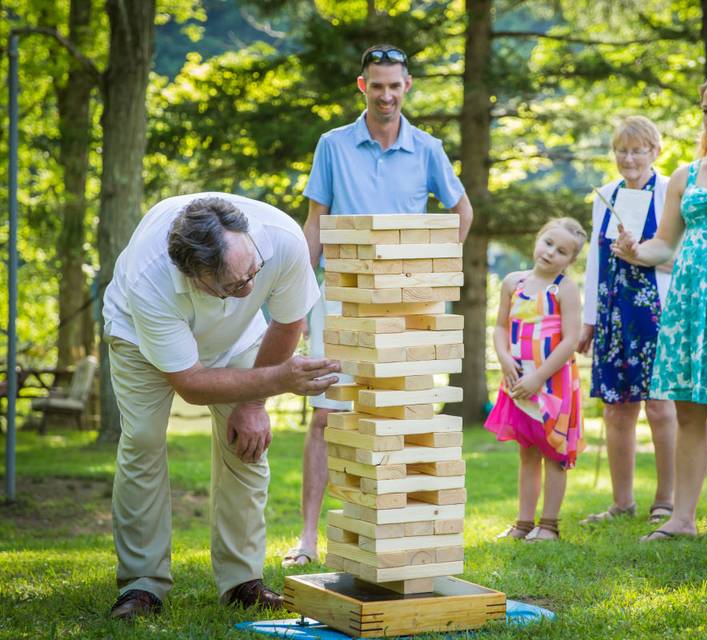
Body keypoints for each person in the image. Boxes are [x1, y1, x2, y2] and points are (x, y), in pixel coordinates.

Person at [101, 194, 340, 620]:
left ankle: (241, 581)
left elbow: (288, 322)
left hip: (238, 337)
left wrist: (254, 402)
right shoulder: (149, 277)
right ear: (192, 275)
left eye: (253, 273)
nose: (250, 288)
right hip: (140, 338)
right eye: (234, 285)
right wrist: (280, 379)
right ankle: (142, 583)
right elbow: (191, 383)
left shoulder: (281, 240)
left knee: (247, 444)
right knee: (142, 441)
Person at [283, 43, 473, 567]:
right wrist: (300, 301)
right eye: (377, 85)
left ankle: (399, 530)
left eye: (395, 85)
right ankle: (307, 539)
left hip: (405, 309)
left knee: (401, 416)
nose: (386, 95)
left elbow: (462, 211)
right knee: (326, 416)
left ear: (406, 86)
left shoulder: (429, 148)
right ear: (363, 86)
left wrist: (433, 278)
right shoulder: (333, 145)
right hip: (340, 299)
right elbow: (315, 222)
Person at [613, 72, 707, 542]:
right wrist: (636, 250)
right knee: (688, 408)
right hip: (687, 300)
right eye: (706, 111)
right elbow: (664, 245)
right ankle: (682, 519)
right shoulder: (686, 174)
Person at [578, 116, 678, 526]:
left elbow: (679, 258)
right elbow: (593, 262)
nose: (630, 158)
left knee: (658, 406)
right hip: (612, 311)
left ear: (655, 151)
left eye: (639, 150)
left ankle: (666, 501)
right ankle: (621, 503)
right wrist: (588, 320)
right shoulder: (605, 195)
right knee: (617, 409)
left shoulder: (672, 191)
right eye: (623, 150)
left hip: (657, 311)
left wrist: (640, 252)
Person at [485, 218, 588, 542]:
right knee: (527, 451)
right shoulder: (512, 283)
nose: (550, 253)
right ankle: (524, 523)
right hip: (518, 382)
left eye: (561, 251)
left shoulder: (564, 289)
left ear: (570, 261)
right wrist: (503, 358)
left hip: (551, 383)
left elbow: (570, 340)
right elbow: (501, 327)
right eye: (548, 243)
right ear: (537, 239)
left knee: (554, 453)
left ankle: (549, 525)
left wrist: (539, 377)